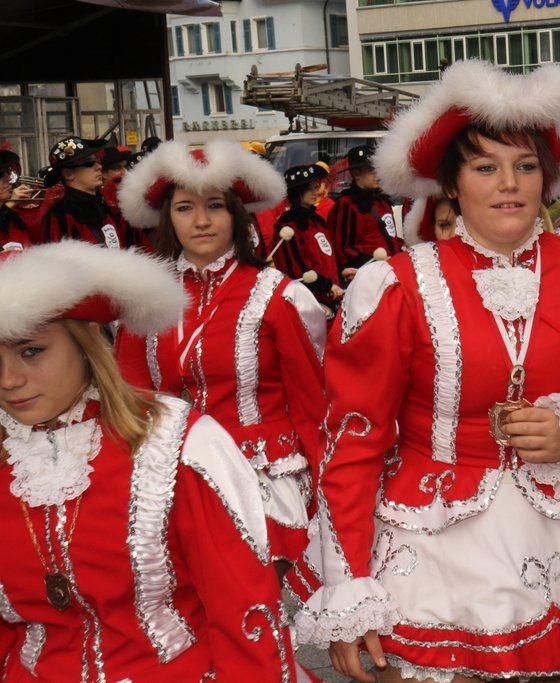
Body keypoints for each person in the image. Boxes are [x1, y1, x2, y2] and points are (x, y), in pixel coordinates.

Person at [293, 59, 560, 682]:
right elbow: (353, 443)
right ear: (452, 183)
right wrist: (348, 584)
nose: (509, 184)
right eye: (485, 167)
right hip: (427, 552)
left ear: (548, 179)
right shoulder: (397, 286)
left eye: (525, 167)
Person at [0, 241, 296, 680]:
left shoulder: (174, 444)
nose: (8, 380)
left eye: (31, 351)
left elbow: (242, 608)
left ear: (86, 345)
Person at [115, 139, 327, 572]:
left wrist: (332, 500)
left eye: (214, 206)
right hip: (169, 479)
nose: (201, 221)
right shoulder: (143, 300)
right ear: (168, 218)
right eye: (184, 208)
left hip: (264, 482)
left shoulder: (279, 297)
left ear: (236, 214)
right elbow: (129, 401)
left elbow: (314, 407)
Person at [327, 144, 402, 279]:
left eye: (378, 169)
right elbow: (344, 252)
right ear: (356, 173)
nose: (377, 174)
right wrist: (376, 264)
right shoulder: (347, 206)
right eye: (371, 170)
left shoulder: (383, 201)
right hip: (368, 277)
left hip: (392, 272)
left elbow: (391, 237)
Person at [273, 164, 344, 306]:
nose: (315, 192)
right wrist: (327, 286)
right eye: (308, 188)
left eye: (315, 187)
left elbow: (327, 256)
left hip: (331, 296)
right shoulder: (287, 226)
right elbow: (296, 271)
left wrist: (341, 271)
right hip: (308, 302)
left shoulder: (317, 220)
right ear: (296, 192)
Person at [40, 136, 126, 249]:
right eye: (89, 162)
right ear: (68, 174)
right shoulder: (60, 217)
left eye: (97, 161)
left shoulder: (104, 208)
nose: (99, 166)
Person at [0, 155, 30, 252]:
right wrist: (11, 203)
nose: (8, 178)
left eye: (7, 172)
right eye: (1, 174)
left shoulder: (12, 217)